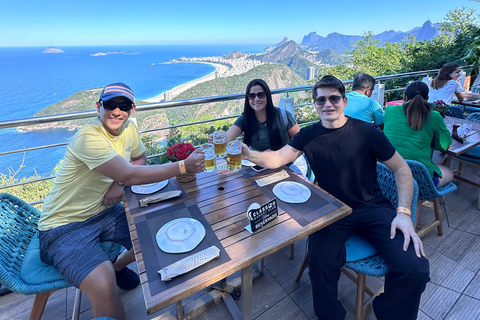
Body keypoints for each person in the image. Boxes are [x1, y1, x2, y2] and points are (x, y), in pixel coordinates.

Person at [242, 75, 430, 320]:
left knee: (415, 268)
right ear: (314, 104)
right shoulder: (309, 135)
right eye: (321, 100)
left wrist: (403, 213)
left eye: (333, 98)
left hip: (373, 207)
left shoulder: (367, 132)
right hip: (330, 210)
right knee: (320, 264)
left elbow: (402, 169)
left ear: (344, 101)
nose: (327, 104)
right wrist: (249, 154)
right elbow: (277, 158)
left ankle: (386, 310)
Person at [38, 82, 205, 320]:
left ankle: (117, 265)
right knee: (105, 286)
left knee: (158, 229)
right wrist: (182, 166)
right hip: (63, 226)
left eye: (123, 106)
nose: (117, 111)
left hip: (103, 212)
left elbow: (140, 159)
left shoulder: (129, 129)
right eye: (110, 105)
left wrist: (118, 183)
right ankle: (111, 270)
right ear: (98, 107)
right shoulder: (88, 138)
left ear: (132, 110)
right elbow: (129, 173)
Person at [210, 78, 307, 175]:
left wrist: (282, 157)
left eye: (261, 95)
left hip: (290, 164)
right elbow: (227, 138)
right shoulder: (245, 119)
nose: (256, 99)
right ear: (248, 99)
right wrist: (217, 140)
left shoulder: (283, 116)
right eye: (252, 96)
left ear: (267, 96)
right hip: (261, 165)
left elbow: (301, 142)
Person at [384, 81, 454, 187]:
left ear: (404, 96)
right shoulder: (434, 116)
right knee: (449, 172)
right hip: (419, 178)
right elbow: (445, 145)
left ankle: (414, 201)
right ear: (427, 98)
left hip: (387, 174)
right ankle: (417, 202)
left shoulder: (390, 110)